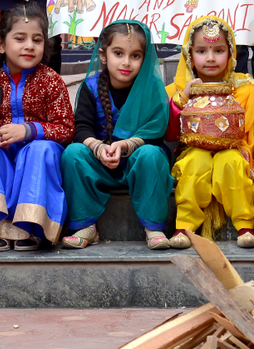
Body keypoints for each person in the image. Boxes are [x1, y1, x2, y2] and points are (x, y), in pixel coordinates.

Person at [0, 3, 74, 251]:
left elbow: (66, 129)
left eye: (37, 40)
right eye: (20, 38)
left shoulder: (51, 80)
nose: (29, 45)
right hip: (2, 164)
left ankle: (30, 227)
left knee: (39, 150)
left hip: (38, 165)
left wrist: (29, 131)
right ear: (1, 44)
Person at [61, 21, 174, 250]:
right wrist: (99, 148)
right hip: (100, 163)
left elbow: (156, 131)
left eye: (135, 56)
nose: (126, 62)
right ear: (103, 55)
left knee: (152, 154)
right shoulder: (90, 87)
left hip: (137, 163)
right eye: (118, 53)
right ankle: (86, 227)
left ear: (145, 58)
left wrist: (124, 146)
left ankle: (153, 227)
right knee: (72, 153)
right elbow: (81, 128)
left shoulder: (151, 87)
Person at [165, 16, 254, 249]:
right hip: (193, 150)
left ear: (231, 54)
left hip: (235, 151)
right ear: (189, 54)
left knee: (229, 162)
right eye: (201, 51)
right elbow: (168, 134)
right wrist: (181, 100)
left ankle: (245, 225)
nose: (210, 58)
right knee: (195, 163)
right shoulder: (177, 90)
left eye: (218, 50)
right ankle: (184, 226)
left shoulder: (247, 88)